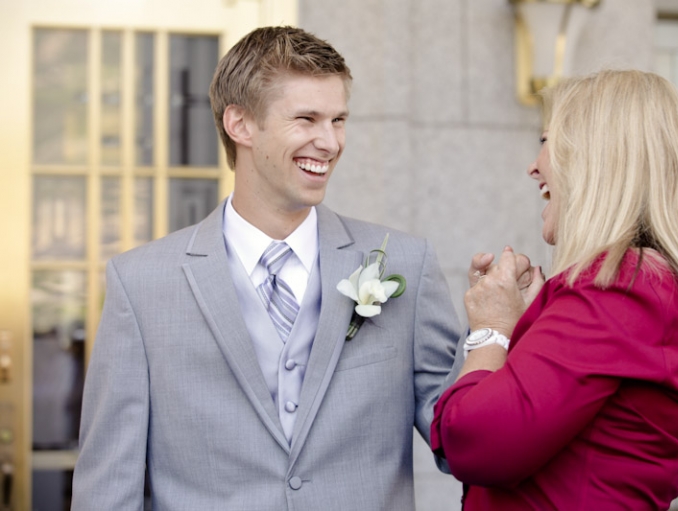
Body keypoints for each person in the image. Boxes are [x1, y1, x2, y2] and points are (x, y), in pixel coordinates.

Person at [72, 26, 469, 511]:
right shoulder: (140, 284)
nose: (330, 142)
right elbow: (108, 488)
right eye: (307, 119)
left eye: (338, 119)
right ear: (240, 124)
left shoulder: (406, 264)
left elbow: (464, 444)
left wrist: (495, 333)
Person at [431, 69, 678, 510]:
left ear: (598, 159)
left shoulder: (624, 285)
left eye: (546, 142)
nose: (534, 165)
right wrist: (528, 326)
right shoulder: (644, 285)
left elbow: (472, 443)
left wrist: (491, 330)